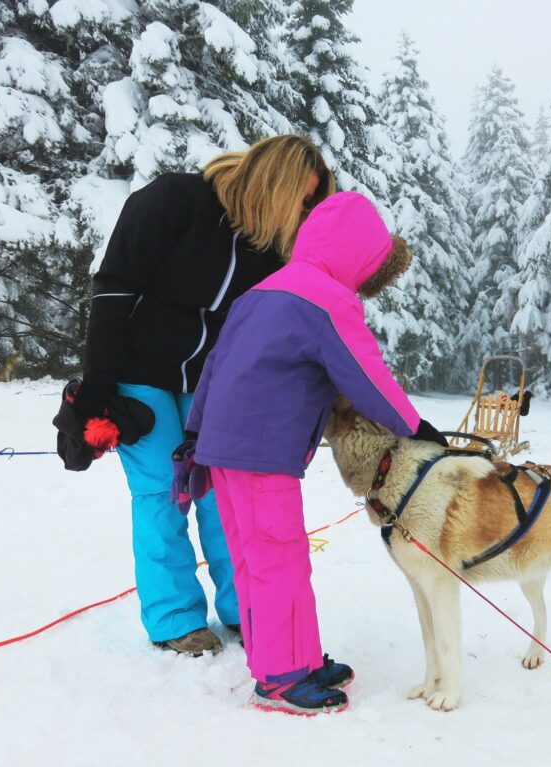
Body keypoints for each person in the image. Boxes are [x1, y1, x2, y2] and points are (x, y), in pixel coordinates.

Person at [182, 191, 449, 715]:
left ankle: (290, 660)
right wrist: (416, 426)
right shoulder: (328, 300)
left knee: (257, 560)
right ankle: (281, 679)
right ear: (357, 255)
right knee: (278, 560)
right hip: (261, 455)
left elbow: (213, 366)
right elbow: (366, 373)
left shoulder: (258, 293)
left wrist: (195, 435)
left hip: (222, 449)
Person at [70, 135, 334, 656]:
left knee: (221, 491)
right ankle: (174, 618)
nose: (307, 213)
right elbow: (116, 288)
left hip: (211, 383)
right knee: (163, 492)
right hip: (137, 374)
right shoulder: (175, 200)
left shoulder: (273, 248)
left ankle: (246, 608)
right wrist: (97, 389)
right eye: (303, 200)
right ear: (274, 183)